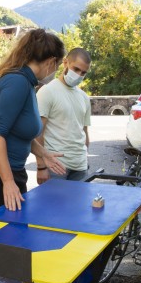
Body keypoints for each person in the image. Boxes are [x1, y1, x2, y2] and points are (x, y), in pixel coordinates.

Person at [0, 29, 67, 222]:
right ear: (51, 61)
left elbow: (18, 132)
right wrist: (8, 182)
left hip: (5, 171)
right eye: (58, 65)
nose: (56, 70)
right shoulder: (17, 82)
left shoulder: (26, 82)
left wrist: (43, 153)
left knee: (11, 239)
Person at [36, 48, 92, 183]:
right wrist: (41, 166)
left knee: (79, 205)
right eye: (76, 69)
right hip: (55, 167)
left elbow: (84, 132)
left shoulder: (84, 97)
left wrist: (84, 158)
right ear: (65, 62)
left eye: (83, 72)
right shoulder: (47, 91)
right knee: (54, 204)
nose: (79, 75)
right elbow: (37, 133)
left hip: (80, 168)